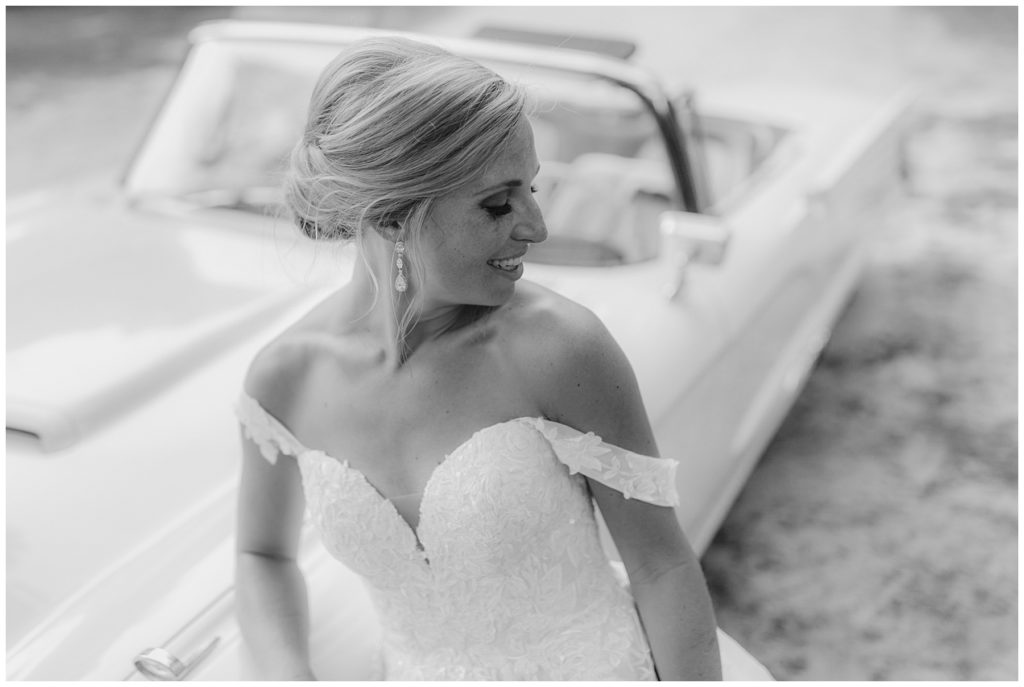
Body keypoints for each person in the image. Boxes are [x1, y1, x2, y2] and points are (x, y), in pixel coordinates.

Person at [234, 35, 772, 681]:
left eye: (533, 189)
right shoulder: (285, 376)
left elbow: (661, 565)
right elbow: (261, 552)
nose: (535, 226)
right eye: (498, 203)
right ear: (393, 215)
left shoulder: (559, 346)